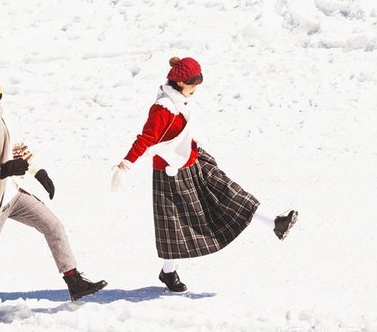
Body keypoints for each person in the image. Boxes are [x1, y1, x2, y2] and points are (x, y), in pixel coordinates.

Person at [113, 56, 298, 293]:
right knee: (175, 226)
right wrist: (125, 165)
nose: (195, 91)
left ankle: (275, 222)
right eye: (193, 86)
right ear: (180, 83)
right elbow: (146, 139)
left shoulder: (179, 100)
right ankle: (168, 273)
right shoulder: (162, 109)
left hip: (196, 161)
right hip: (172, 174)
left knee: (230, 193)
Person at [0, 71, 107, 332]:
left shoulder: (3, 121)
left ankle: (74, 282)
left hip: (13, 194)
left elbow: (20, 153)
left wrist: (39, 173)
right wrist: (0, 170)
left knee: (53, 226)